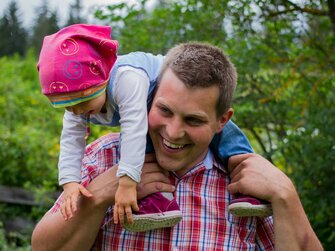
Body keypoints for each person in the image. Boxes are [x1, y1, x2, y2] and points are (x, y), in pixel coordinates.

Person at [32, 42, 323, 250]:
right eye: (165, 110)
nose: (173, 132)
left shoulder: (248, 186)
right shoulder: (103, 157)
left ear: (223, 120)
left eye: (193, 120)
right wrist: (99, 196)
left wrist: (286, 196)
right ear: (150, 95)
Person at [37, 24, 259, 232]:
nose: (76, 112)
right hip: (149, 110)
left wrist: (126, 183)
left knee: (222, 131)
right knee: (151, 140)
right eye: (65, 106)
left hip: (171, 90)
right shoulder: (76, 103)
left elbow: (133, 128)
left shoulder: (126, 80)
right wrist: (70, 182)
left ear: (100, 82)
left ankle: (248, 181)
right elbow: (70, 139)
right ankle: (158, 198)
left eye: (80, 103)